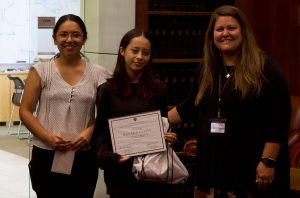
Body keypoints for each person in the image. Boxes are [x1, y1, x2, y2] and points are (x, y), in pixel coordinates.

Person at [168, 5, 291, 198]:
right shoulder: (206, 69)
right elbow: (189, 107)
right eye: (219, 29)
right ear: (212, 35)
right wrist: (154, 124)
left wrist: (268, 161)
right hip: (215, 168)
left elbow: (279, 120)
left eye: (231, 28)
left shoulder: (266, 68)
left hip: (252, 169)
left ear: (243, 31)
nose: (225, 33)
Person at [19, 14, 111, 198]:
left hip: (83, 154)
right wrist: (47, 137)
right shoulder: (41, 71)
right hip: (46, 153)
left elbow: (108, 112)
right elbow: (25, 111)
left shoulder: (99, 74)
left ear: (84, 38)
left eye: (76, 35)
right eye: (63, 35)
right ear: (55, 39)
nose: (70, 40)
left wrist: (90, 132)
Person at [91, 28, 177, 198]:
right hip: (121, 173)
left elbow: (163, 125)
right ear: (122, 51)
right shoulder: (107, 90)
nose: (140, 57)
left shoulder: (159, 89)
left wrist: (167, 136)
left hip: (154, 173)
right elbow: (99, 136)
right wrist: (112, 157)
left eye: (145, 52)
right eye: (134, 51)